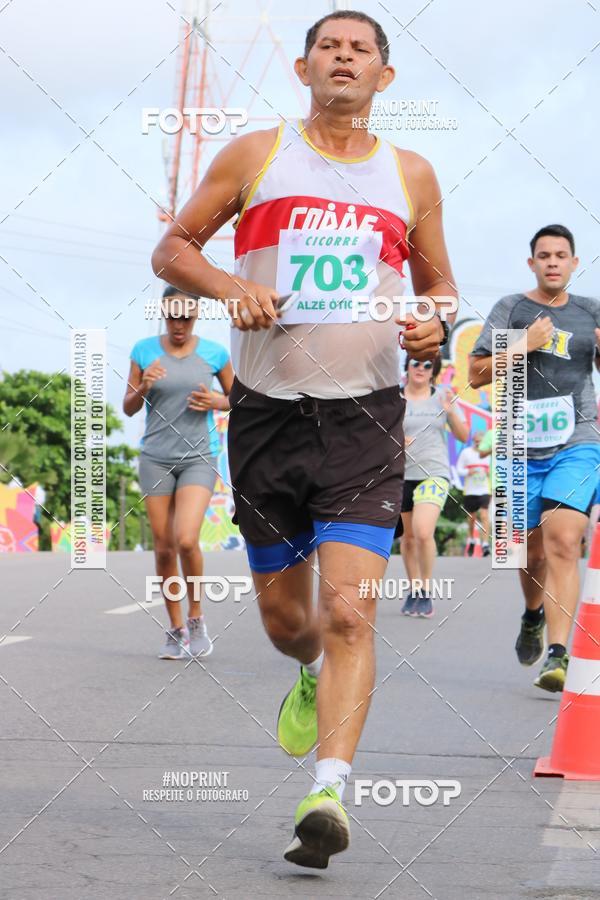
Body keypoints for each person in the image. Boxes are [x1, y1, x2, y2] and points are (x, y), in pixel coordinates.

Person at [152, 9, 456, 869]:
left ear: (384, 78)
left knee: (351, 612)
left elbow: (440, 287)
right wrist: (223, 286)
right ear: (304, 66)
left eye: (363, 49)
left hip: (366, 417)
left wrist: (434, 324)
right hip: (265, 417)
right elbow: (171, 247)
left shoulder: (412, 175)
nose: (346, 57)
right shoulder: (256, 156)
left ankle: (328, 790)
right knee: (291, 621)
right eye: (331, 46)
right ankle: (308, 669)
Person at [469, 224, 600, 692]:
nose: (552, 262)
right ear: (531, 263)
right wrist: (522, 344)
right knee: (526, 550)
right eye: (543, 255)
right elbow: (476, 373)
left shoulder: (591, 312)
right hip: (518, 444)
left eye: (560, 255)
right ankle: (532, 615)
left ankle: (559, 653)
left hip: (578, 440)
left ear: (573, 262)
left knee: (565, 539)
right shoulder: (511, 308)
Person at [123, 286, 233, 659]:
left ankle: (197, 618)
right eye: (173, 316)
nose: (180, 324)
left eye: (186, 316)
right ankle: (174, 628)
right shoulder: (143, 351)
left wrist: (219, 401)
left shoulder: (215, 354)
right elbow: (128, 408)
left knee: (186, 539)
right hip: (155, 458)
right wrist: (144, 386)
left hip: (199, 457)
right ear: (164, 313)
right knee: (164, 546)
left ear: (197, 315)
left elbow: (240, 399)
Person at [397, 355, 468, 616]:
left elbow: (463, 436)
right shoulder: (396, 398)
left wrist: (450, 412)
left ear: (433, 371)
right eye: (416, 363)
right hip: (402, 475)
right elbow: (379, 432)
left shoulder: (443, 396)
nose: (421, 368)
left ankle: (426, 590)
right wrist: (395, 440)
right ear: (407, 366)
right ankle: (414, 589)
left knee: (423, 531)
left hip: (434, 473)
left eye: (428, 365)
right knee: (408, 537)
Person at [456, 431, 491, 556]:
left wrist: (490, 473)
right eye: (476, 442)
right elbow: (459, 469)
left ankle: (485, 544)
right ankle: (471, 539)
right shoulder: (466, 453)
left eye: (480, 442)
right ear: (473, 441)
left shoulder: (489, 454)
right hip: (470, 491)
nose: (478, 444)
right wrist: (467, 472)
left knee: (484, 515)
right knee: (472, 518)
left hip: (485, 489)